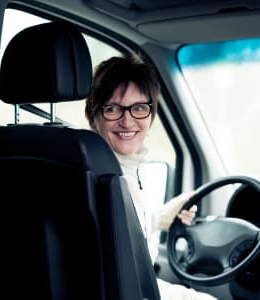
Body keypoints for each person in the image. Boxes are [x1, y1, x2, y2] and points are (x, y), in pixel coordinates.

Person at [85, 54, 216, 300]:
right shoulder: (96, 174)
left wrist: (159, 218)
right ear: (93, 115)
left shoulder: (130, 167)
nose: (127, 121)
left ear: (151, 114)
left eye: (139, 108)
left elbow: (117, 233)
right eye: (113, 108)